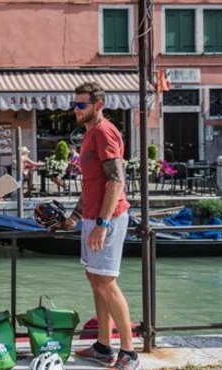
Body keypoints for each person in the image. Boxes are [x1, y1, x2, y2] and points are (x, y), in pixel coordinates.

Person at [57, 82, 138, 370]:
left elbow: (116, 180)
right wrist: (75, 218)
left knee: (106, 281)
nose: (76, 109)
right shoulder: (89, 134)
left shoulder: (104, 132)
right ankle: (104, 346)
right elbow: (91, 185)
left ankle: (128, 352)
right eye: (75, 104)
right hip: (93, 216)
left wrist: (102, 224)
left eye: (81, 105)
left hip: (109, 217)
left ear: (98, 105)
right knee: (95, 279)